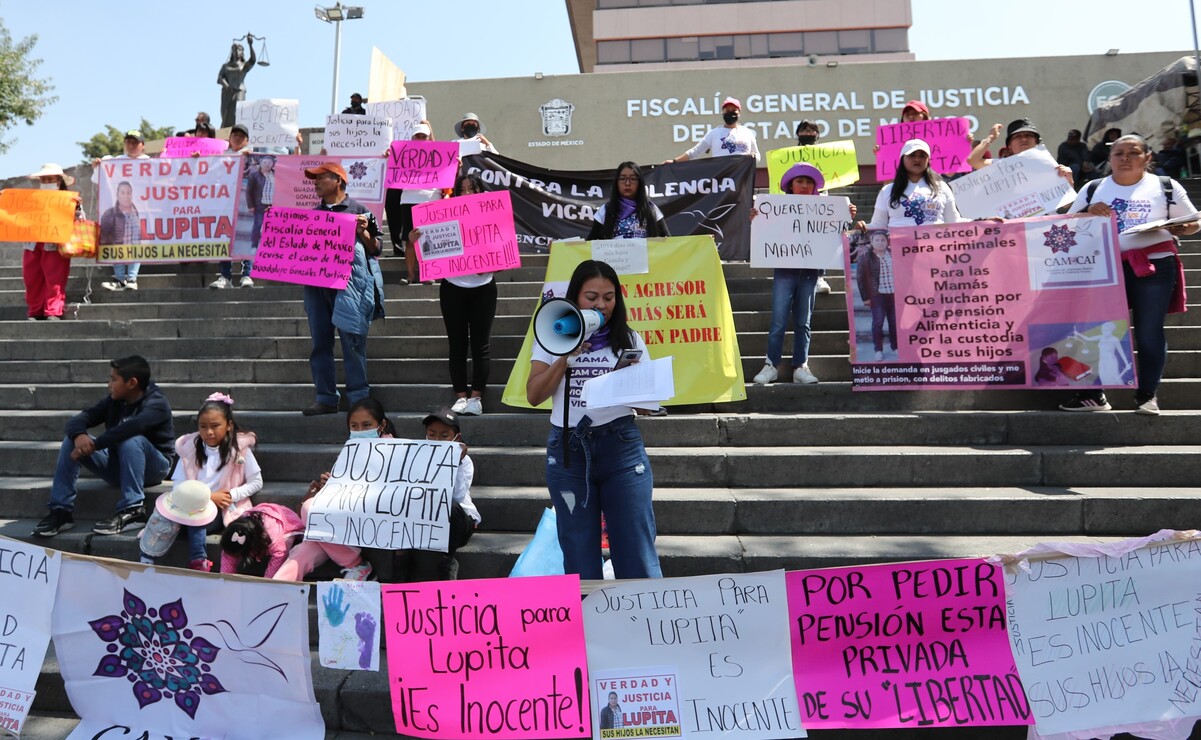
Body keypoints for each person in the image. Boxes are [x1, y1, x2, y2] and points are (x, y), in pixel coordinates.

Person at [526, 260, 662, 580]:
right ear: (574, 298)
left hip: (621, 447)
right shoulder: (553, 333)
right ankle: (590, 626)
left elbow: (645, 405)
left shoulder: (628, 339)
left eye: (609, 297)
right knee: (578, 553)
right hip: (568, 452)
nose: (601, 304)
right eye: (591, 297)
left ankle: (643, 624)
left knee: (635, 548)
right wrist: (564, 358)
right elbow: (534, 394)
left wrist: (635, 392)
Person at [1060, 134, 1199, 415]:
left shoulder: (1166, 186)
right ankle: (1092, 395)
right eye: (1118, 153)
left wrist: (1183, 229)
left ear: (1147, 158)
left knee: (1149, 331)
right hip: (1103, 268)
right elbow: (1066, 226)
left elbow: (1193, 221)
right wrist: (1087, 210)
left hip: (1155, 266)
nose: (1125, 158)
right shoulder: (1093, 188)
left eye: (1133, 152)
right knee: (1094, 328)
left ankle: (1148, 394)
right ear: (1109, 159)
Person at [34, 356, 174, 538]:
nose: (109, 384)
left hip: (154, 467)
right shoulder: (114, 400)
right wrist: (79, 435)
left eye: (114, 379)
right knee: (71, 441)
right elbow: (79, 419)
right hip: (120, 464)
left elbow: (132, 427)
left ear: (132, 383)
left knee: (132, 440)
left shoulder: (157, 404)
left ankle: (134, 510)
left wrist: (95, 445)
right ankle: (61, 511)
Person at [753, 162, 852, 384]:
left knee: (803, 322)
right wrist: (755, 218)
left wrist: (847, 215)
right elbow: (764, 231)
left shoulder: (824, 207)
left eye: (809, 182)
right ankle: (771, 364)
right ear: (790, 185)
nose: (805, 185)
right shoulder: (776, 206)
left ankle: (801, 366)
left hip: (809, 272)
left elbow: (837, 232)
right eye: (800, 181)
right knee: (778, 320)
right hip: (785, 271)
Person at [138, 393, 261, 572]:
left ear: (229, 425)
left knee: (197, 519)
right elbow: (179, 484)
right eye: (203, 427)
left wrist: (231, 495)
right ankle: (146, 558)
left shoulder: (240, 450)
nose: (209, 432)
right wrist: (208, 496)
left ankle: (199, 559)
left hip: (220, 508)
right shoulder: (190, 449)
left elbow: (256, 481)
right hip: (189, 502)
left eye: (215, 426)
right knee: (163, 513)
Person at [301, 162, 383, 415]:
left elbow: (377, 249)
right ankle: (326, 397)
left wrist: (363, 234)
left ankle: (359, 399)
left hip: (350, 288)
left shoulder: (360, 210)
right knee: (320, 343)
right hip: (317, 288)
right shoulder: (312, 214)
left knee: (353, 342)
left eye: (320, 178)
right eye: (314, 179)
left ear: (338, 180)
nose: (315, 183)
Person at [412, 173, 497, 416]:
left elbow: (503, 254)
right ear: (456, 193)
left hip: (484, 288)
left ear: (481, 192)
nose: (468, 194)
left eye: (473, 189)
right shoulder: (444, 215)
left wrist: (490, 265)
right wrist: (414, 240)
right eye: (462, 189)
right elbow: (429, 250)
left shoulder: (493, 217)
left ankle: (477, 397)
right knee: (457, 345)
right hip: (452, 287)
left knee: (481, 345)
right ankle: (461, 396)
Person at [276, 399, 387, 582]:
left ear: (381, 425)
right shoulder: (349, 451)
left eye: (366, 425)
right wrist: (329, 483)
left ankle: (355, 564)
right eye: (354, 426)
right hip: (338, 523)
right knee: (301, 553)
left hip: (366, 523)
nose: (360, 431)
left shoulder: (397, 452)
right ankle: (273, 593)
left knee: (310, 511)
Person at [390, 408, 481, 582]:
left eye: (444, 436)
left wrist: (457, 462)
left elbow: (458, 495)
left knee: (449, 508)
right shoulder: (415, 457)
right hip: (423, 521)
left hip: (455, 523)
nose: (437, 440)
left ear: (457, 438)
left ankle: (446, 564)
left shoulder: (465, 462)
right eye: (432, 434)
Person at [23, 163, 82, 321]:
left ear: (58, 181)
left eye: (49, 178)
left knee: (55, 278)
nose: (46, 181)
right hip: (32, 243)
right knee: (31, 278)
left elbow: (80, 219)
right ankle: (35, 310)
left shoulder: (70, 199)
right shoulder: (31, 198)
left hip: (55, 243)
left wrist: (75, 207)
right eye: (43, 179)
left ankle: (53, 310)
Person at [94, 130, 149, 292]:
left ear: (143, 146)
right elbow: (99, 179)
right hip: (117, 211)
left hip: (138, 211)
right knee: (115, 241)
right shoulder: (115, 162)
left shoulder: (150, 163)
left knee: (134, 242)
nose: (131, 146)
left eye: (135, 142)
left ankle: (131, 278)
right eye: (128, 142)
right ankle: (119, 278)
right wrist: (97, 166)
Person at [867, 139, 966, 228]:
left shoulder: (942, 187)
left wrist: (978, 224)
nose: (917, 159)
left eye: (922, 156)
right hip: (899, 247)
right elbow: (878, 225)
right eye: (912, 155)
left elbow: (954, 221)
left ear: (928, 160)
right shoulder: (887, 190)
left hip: (936, 246)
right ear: (902, 159)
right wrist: (863, 228)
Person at [399, 123, 444, 285]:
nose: (420, 139)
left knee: (430, 237)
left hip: (431, 199)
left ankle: (428, 273)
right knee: (410, 239)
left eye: (423, 136)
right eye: (417, 136)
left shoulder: (438, 153)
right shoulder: (403, 155)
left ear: (429, 138)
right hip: (408, 199)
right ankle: (410, 275)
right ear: (412, 138)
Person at [211, 126, 255, 289]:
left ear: (247, 140)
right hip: (226, 205)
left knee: (247, 238)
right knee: (225, 238)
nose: (237, 137)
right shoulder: (222, 157)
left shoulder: (254, 156)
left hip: (246, 206)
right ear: (229, 138)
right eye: (234, 134)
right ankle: (225, 276)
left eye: (241, 135)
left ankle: (247, 275)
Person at [792, 123, 833, 296]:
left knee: (818, 238)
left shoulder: (826, 156)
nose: (808, 133)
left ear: (817, 134)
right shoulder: (789, 155)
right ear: (798, 133)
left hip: (819, 203)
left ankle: (819, 276)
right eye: (804, 130)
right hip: (795, 204)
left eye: (812, 130)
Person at [968, 119, 1073, 184]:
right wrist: (991, 137)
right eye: (1017, 136)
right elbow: (973, 160)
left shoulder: (1051, 167)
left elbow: (1066, 207)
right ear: (1009, 146)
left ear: (1036, 142)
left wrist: (1069, 182)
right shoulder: (1002, 166)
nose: (1024, 139)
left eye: (1028, 135)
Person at [663, 97, 759, 163]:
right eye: (727, 111)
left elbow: (757, 156)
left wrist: (753, 157)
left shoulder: (747, 133)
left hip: (743, 179)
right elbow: (695, 152)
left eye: (734, 110)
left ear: (739, 113)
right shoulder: (714, 133)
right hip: (722, 180)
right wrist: (674, 161)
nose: (731, 113)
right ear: (723, 113)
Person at [219, 503, 304, 578]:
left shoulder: (274, 538)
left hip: (287, 522)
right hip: (262, 516)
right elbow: (228, 554)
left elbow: (280, 554)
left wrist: (266, 582)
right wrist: (226, 580)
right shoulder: (238, 529)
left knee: (286, 543)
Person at [588, 161, 669, 240]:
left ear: (639, 183)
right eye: (622, 178)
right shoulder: (605, 210)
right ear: (617, 182)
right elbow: (590, 245)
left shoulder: (651, 209)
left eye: (633, 179)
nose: (627, 183)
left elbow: (669, 242)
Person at [856, 230, 897, 362]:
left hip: (894, 294)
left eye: (883, 240)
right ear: (872, 242)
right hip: (877, 295)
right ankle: (878, 349)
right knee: (878, 322)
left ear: (887, 241)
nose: (880, 243)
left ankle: (895, 346)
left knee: (894, 322)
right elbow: (860, 279)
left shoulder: (894, 255)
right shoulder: (865, 258)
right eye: (877, 240)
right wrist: (865, 297)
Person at [217, 36, 257, 128]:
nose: (236, 51)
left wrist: (250, 45)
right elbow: (219, 78)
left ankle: (236, 131)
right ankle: (225, 132)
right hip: (227, 93)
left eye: (239, 49)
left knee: (237, 114)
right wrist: (226, 86)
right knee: (225, 114)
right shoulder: (225, 65)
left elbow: (253, 60)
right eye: (234, 49)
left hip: (239, 91)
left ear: (242, 52)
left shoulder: (244, 65)